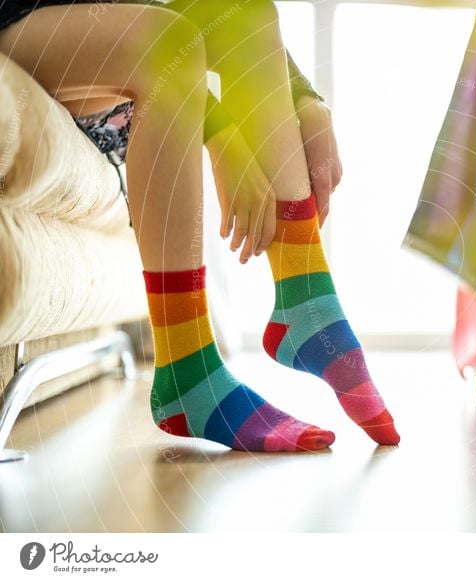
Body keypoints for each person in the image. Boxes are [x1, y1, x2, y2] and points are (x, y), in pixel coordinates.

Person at [0, 0, 400, 451]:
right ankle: (187, 372)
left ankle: (307, 301)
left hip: (97, 57)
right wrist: (221, 133)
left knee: (250, 15)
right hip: (18, 21)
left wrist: (306, 98)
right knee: (170, 42)